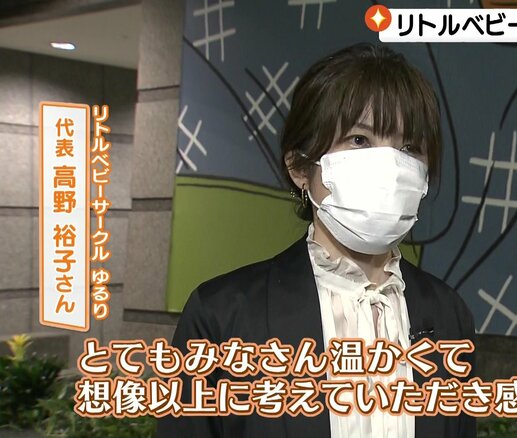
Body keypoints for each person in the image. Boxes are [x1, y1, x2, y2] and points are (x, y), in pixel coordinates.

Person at [157, 43, 476, 438]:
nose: (390, 167)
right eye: (359, 140)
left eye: (409, 147)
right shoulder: (222, 315)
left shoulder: (449, 315)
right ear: (300, 168)